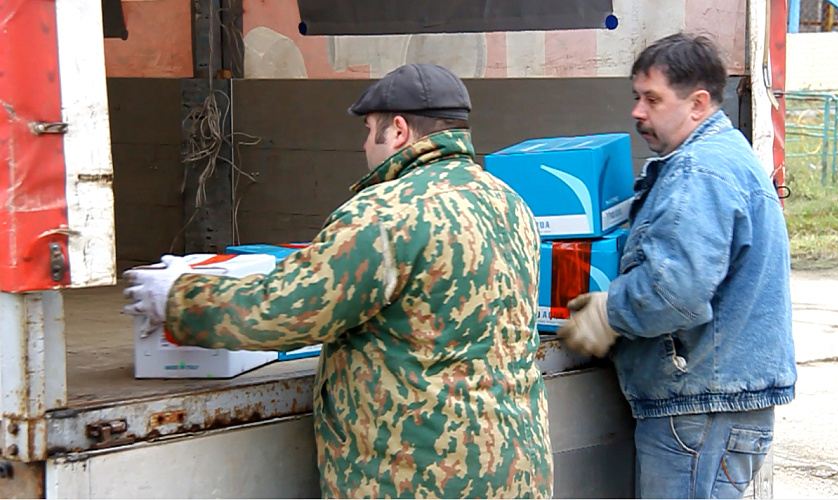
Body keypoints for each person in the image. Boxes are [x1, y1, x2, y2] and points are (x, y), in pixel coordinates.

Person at [121, 63, 553, 499]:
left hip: (422, 481)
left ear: (398, 131)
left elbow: (284, 309)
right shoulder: (510, 205)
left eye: (368, 131)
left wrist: (177, 297)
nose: (364, 145)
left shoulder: (385, 212)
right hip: (517, 472)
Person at [556, 33, 797, 499]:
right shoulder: (721, 157)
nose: (637, 112)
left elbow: (674, 292)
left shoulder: (699, 171)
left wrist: (607, 312)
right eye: (636, 97)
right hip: (712, 406)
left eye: (652, 99)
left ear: (698, 103)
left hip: (700, 412)